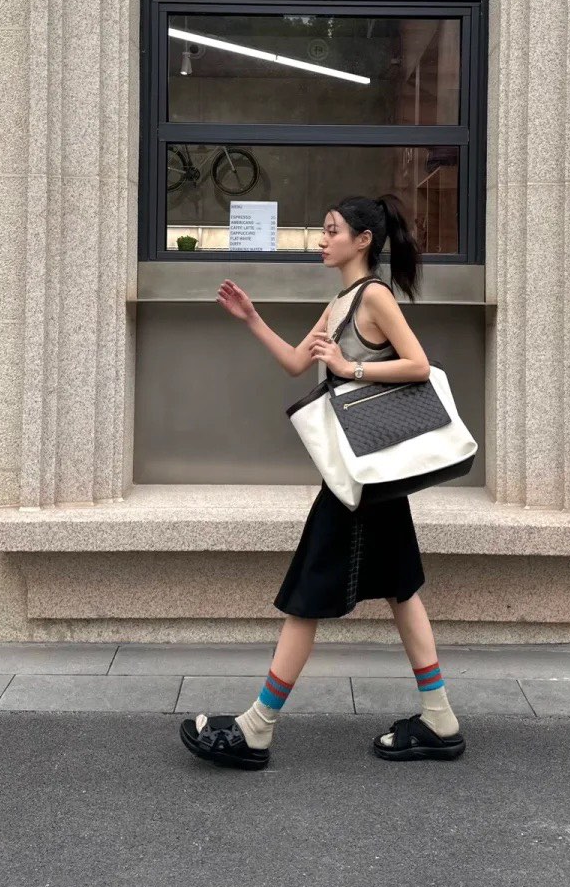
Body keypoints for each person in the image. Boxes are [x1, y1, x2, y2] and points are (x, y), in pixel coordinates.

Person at [178, 192, 466, 771]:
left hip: (359, 479)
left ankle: (257, 728)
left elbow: (418, 364)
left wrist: (348, 366)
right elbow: (294, 362)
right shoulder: (338, 304)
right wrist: (252, 318)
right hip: (365, 475)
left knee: (307, 596)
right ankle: (439, 719)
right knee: (402, 588)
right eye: (323, 230)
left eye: (332, 230)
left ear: (363, 240)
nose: (322, 239)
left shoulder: (374, 296)